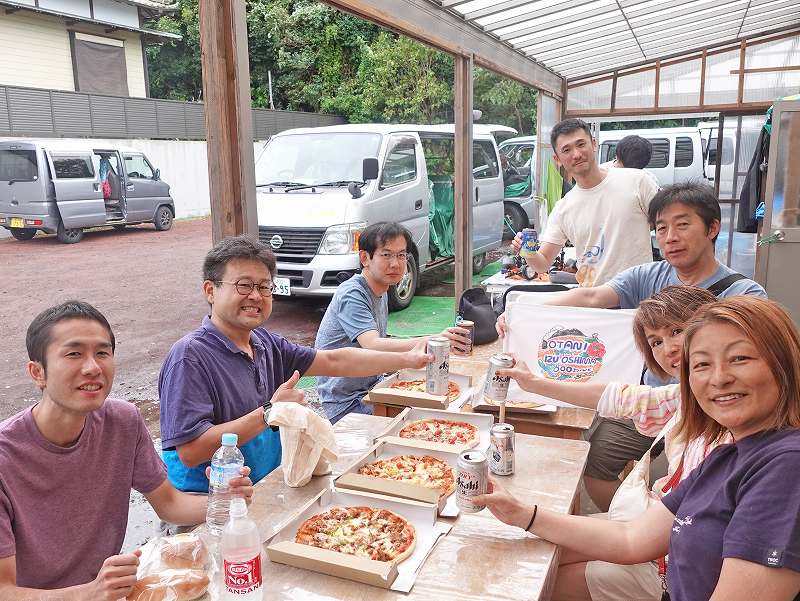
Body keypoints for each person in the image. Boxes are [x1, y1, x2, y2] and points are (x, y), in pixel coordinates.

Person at [476, 296, 800, 601]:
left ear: (783, 362)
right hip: (657, 567)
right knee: (524, 555)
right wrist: (521, 514)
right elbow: (631, 539)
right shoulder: (726, 454)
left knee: (530, 576)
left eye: (739, 358)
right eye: (701, 364)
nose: (719, 378)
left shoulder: (785, 468)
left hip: (658, 577)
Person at [496, 182, 766, 510]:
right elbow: (591, 296)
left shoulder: (746, 296)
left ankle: (655, 530)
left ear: (712, 228)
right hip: (653, 401)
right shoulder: (647, 275)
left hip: (713, 415)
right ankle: (634, 526)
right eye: (661, 228)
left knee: (690, 484)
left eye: (682, 224)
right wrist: (522, 313)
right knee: (595, 455)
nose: (671, 237)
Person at [0, 301, 253, 599]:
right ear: (37, 372)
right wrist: (91, 592)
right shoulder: (7, 458)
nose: (93, 367)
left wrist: (225, 499)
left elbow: (169, 504)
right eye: (73, 354)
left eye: (102, 353)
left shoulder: (122, 421)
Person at [159, 235, 433, 492]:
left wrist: (406, 359)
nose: (256, 296)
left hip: (267, 487)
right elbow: (191, 450)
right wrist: (269, 412)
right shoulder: (190, 357)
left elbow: (335, 360)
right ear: (210, 290)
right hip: (210, 507)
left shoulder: (264, 343)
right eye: (244, 285)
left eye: (265, 286)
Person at [498, 285, 720, 601]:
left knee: (540, 578)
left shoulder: (735, 437)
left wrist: (523, 514)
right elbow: (617, 396)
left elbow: (638, 542)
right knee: (535, 555)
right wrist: (533, 382)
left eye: (677, 331)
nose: (668, 347)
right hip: (653, 529)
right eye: (656, 340)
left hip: (671, 567)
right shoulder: (683, 397)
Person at [315, 221, 471, 424]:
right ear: (365, 258)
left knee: (449, 404)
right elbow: (373, 344)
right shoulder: (352, 293)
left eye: (401, 255)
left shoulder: (382, 289)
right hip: (347, 402)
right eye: (386, 255)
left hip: (375, 387)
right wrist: (432, 340)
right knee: (428, 424)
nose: (396, 264)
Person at [512, 118, 658, 287]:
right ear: (557, 159)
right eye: (566, 150)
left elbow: (666, 228)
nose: (576, 154)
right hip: (592, 302)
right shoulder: (563, 208)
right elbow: (543, 263)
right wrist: (528, 252)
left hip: (639, 296)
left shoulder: (637, 181)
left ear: (594, 144)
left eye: (581, 144)